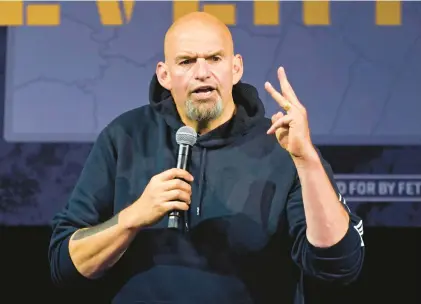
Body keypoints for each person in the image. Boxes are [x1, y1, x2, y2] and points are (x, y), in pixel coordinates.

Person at [48, 11, 364, 304]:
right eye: (186, 61)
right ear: (164, 74)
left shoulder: (283, 145)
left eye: (214, 58)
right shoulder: (125, 136)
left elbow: (339, 266)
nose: (203, 73)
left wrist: (307, 160)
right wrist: (131, 219)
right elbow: (66, 265)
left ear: (236, 67)